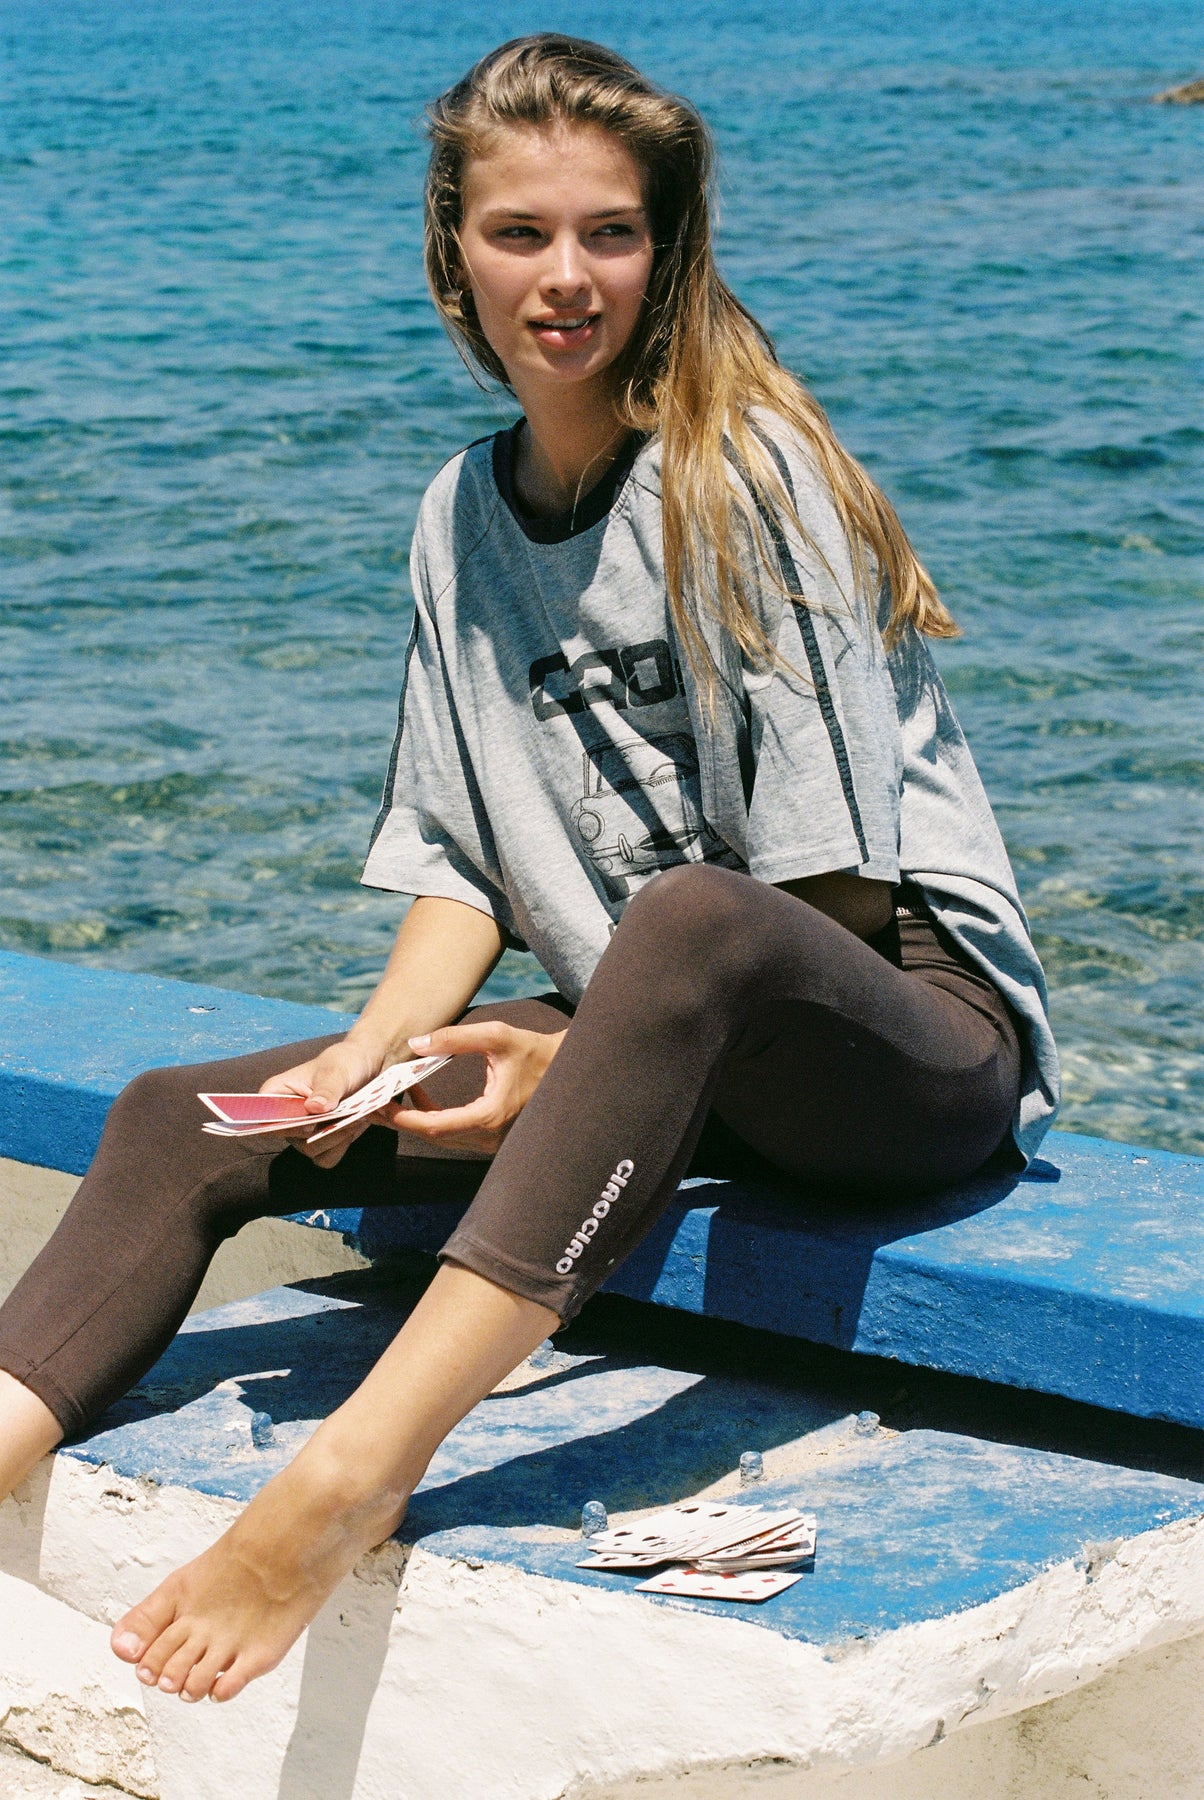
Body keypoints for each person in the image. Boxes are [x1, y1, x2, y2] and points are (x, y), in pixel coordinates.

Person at [0, 34, 1058, 1705]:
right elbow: (464, 862)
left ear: (665, 250)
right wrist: (372, 1054)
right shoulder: (457, 516)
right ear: (456, 252)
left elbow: (832, 908)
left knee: (689, 922)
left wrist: (559, 1059)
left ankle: (346, 1482)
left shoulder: (745, 474)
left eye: (610, 233)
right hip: (650, 1032)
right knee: (182, 1117)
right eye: (520, 232)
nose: (565, 277)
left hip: (895, 1042)